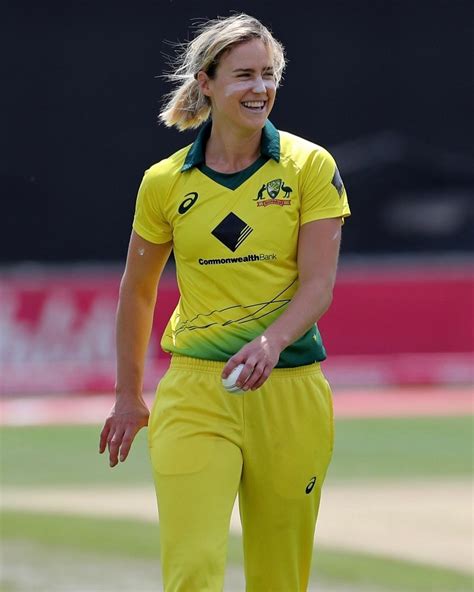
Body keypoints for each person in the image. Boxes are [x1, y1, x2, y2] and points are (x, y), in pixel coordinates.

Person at [99, 12, 350, 591]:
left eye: (268, 74)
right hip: (195, 390)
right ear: (206, 83)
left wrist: (271, 343)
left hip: (290, 390)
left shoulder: (309, 167)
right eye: (243, 75)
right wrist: (127, 395)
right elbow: (137, 290)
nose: (260, 88)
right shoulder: (164, 182)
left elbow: (318, 286)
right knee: (192, 569)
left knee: (279, 578)